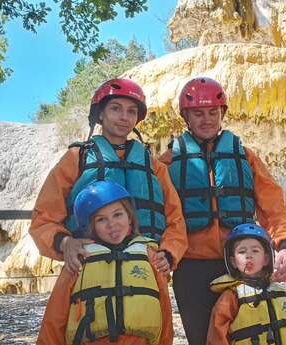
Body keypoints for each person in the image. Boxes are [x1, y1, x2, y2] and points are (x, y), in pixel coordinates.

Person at [158, 77, 286, 344]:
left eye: (213, 112)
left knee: (248, 336)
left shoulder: (244, 156)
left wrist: (285, 246)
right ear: (186, 117)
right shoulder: (167, 163)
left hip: (241, 265)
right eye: (198, 113)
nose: (207, 119)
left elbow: (273, 206)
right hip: (192, 269)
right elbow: (155, 216)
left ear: (222, 112)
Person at [29, 78, 187, 275]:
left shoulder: (153, 165)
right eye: (115, 108)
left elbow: (175, 219)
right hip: (88, 267)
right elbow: (43, 218)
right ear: (100, 114)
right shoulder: (77, 159)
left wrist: (169, 252)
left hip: (146, 268)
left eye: (132, 111)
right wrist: (66, 243)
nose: (124, 117)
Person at [37, 180, 173, 345]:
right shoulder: (80, 259)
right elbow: (55, 317)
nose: (112, 224)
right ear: (91, 227)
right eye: (101, 219)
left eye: (118, 214)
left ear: (129, 217)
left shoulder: (150, 256)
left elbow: (165, 311)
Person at [207, 223, 286, 345]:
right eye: (241, 251)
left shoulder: (285, 297)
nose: (248, 256)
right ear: (233, 262)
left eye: (255, 251)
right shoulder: (231, 297)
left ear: (266, 259)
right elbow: (217, 334)